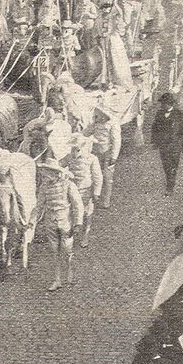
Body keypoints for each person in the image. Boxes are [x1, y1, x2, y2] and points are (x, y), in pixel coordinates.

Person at [35, 160, 84, 292]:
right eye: (44, 172)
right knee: (54, 251)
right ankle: (57, 279)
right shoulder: (44, 187)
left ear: (55, 173)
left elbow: (78, 205)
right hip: (50, 222)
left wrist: (78, 223)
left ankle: (70, 270)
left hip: (65, 221)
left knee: (67, 248)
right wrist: (32, 222)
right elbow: (39, 206)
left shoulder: (68, 185)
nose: (45, 175)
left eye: (47, 172)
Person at [66, 133, 103, 248]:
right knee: (72, 211)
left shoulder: (91, 159)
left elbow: (97, 176)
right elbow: (60, 165)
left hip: (86, 189)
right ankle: (72, 233)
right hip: (73, 189)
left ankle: (86, 234)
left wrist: (96, 193)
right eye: (73, 149)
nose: (75, 152)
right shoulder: (68, 157)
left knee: (87, 213)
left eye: (77, 149)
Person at [150, 92, 183, 195]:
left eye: (163, 103)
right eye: (161, 103)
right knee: (166, 165)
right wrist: (154, 141)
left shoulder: (179, 114)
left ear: (169, 103)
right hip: (163, 145)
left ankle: (170, 186)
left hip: (175, 145)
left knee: (173, 166)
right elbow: (155, 128)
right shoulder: (159, 113)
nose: (162, 105)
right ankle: (170, 182)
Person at [86, 102, 121, 209]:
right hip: (96, 152)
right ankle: (95, 197)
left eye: (97, 116)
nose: (96, 118)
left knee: (107, 177)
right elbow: (86, 132)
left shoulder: (112, 125)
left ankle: (106, 200)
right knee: (95, 174)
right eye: (95, 116)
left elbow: (116, 141)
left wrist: (114, 156)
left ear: (104, 115)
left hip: (107, 153)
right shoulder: (96, 125)